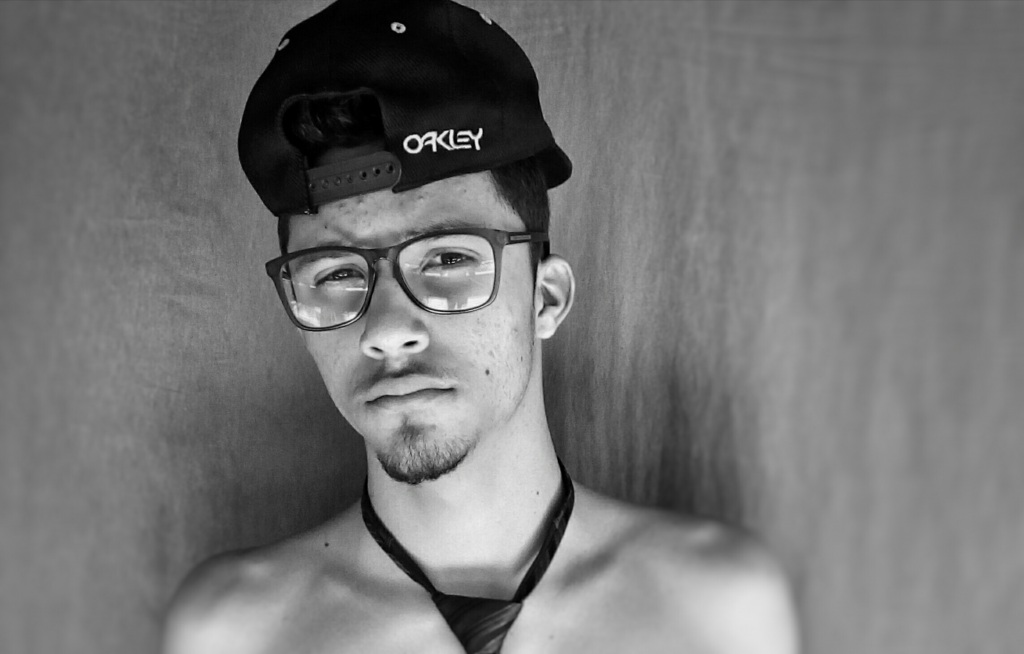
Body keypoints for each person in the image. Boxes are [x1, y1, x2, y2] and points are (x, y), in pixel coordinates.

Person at [163, 1, 799, 652]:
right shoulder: (232, 633)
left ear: (545, 297)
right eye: (336, 274)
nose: (386, 329)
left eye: (447, 260)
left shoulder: (718, 610)